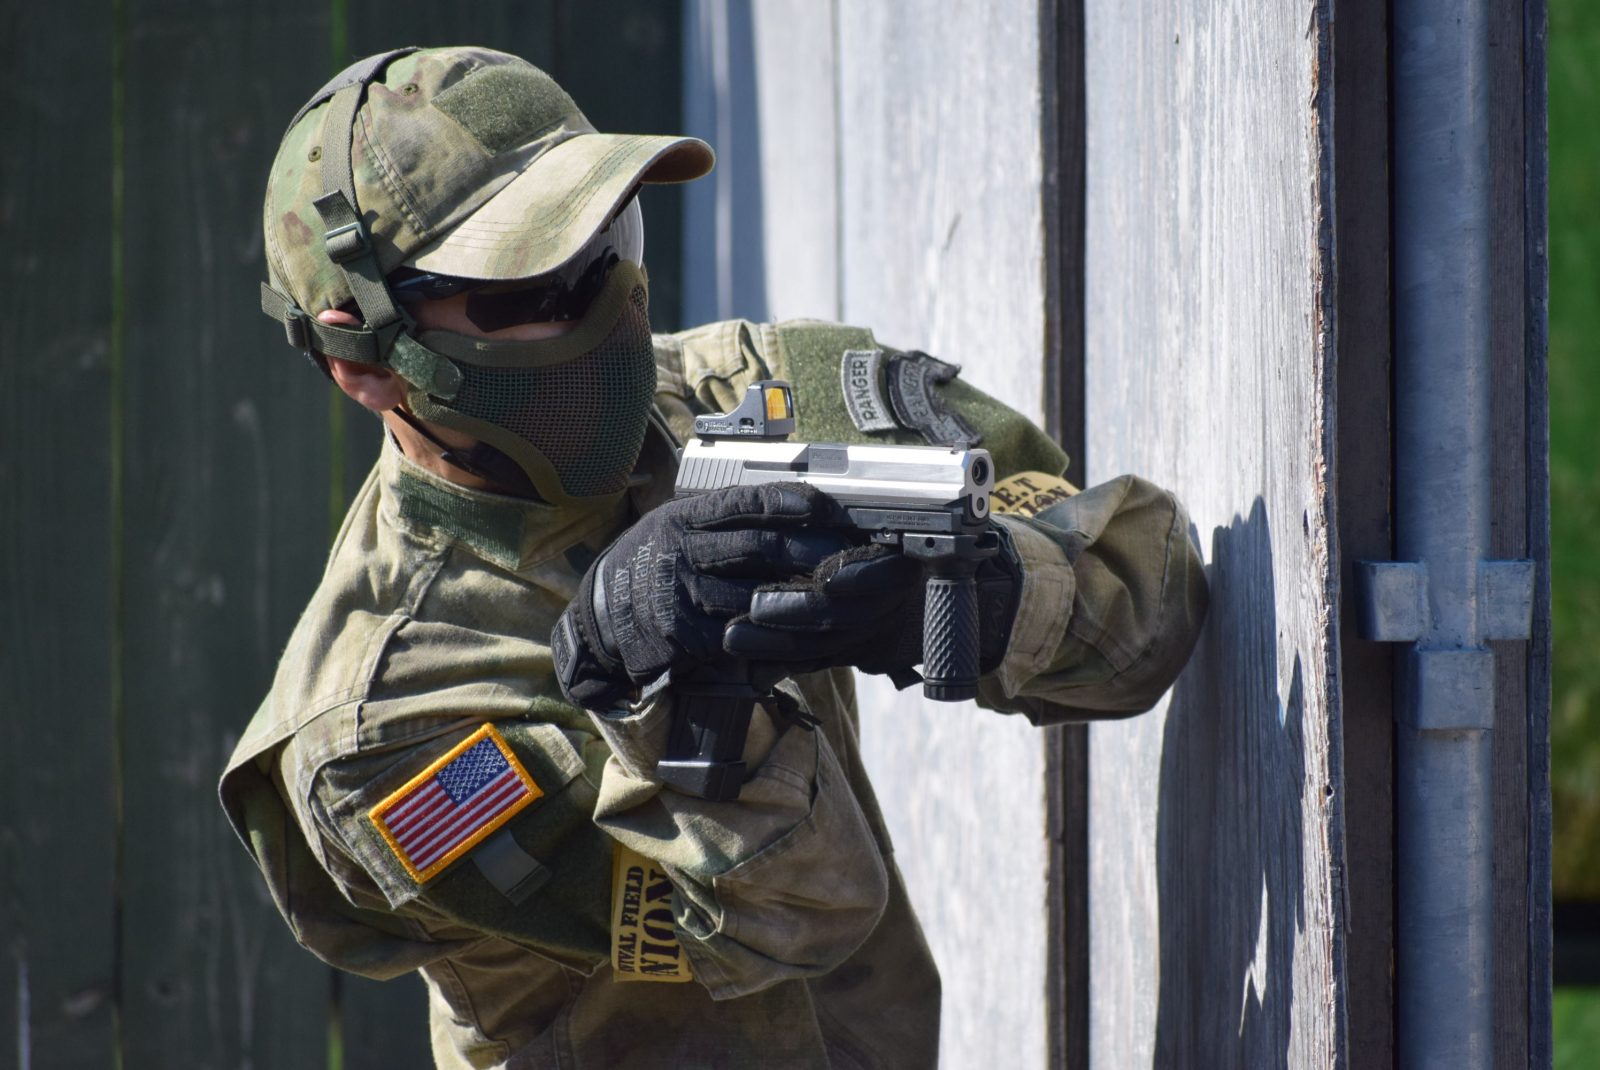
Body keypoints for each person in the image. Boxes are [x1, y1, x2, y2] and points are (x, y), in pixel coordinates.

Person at [220, 45, 1207, 1069]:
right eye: (526, 292)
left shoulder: (750, 395)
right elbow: (795, 915)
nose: (599, 305)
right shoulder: (384, 730)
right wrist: (660, 689)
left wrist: (974, 594)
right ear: (364, 362)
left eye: (607, 244)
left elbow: (1153, 601)